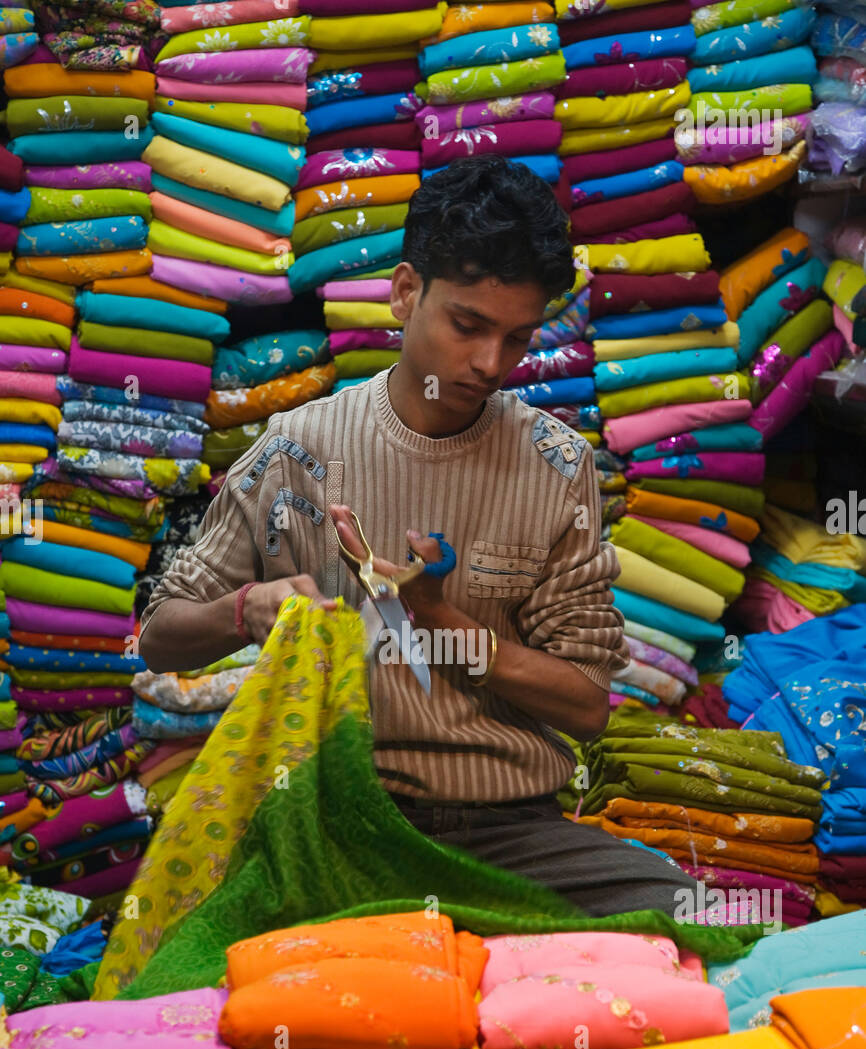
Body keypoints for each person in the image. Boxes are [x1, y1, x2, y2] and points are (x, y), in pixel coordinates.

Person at [139, 156, 696, 919]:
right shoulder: (295, 450)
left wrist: (444, 623)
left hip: (508, 830)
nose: (490, 364)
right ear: (405, 292)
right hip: (337, 822)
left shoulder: (556, 464)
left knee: (686, 917)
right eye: (467, 325)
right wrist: (248, 609)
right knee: (203, 965)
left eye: (518, 338)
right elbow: (160, 640)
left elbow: (587, 706)